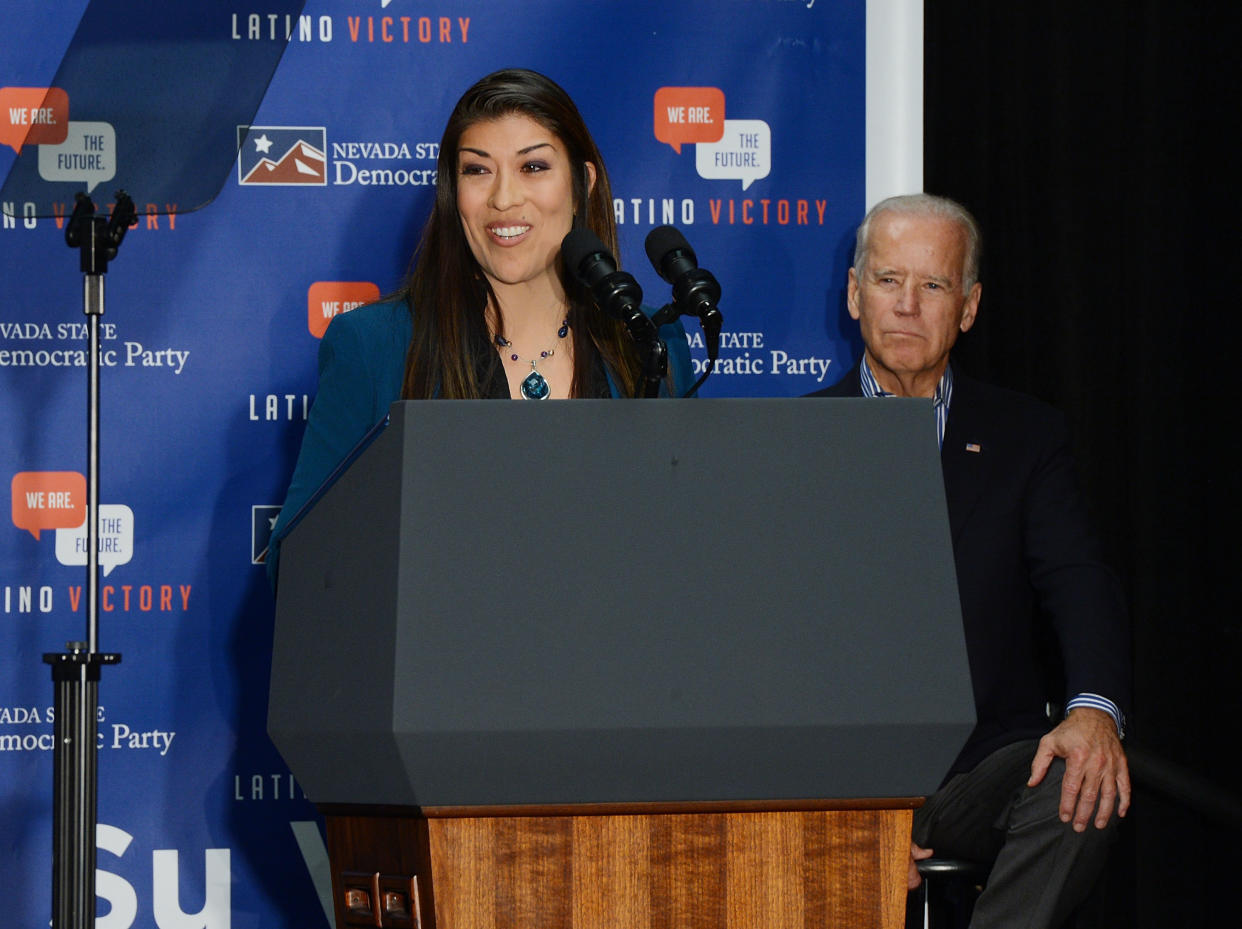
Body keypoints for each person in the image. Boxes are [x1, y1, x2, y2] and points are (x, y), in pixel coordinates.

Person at [809, 194, 1131, 927]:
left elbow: (1079, 581)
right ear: (855, 294)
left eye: (934, 285)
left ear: (970, 306)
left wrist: (1093, 710)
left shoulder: (1027, 437)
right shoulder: (792, 442)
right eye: (889, 280)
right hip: (836, 786)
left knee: (1083, 777)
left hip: (979, 770)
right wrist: (852, 802)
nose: (908, 306)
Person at [267, 69, 694, 588]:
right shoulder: (373, 344)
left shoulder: (650, 344)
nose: (503, 199)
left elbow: (684, 547)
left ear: (583, 184)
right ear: (453, 191)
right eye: (477, 170)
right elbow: (298, 563)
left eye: (533, 166)